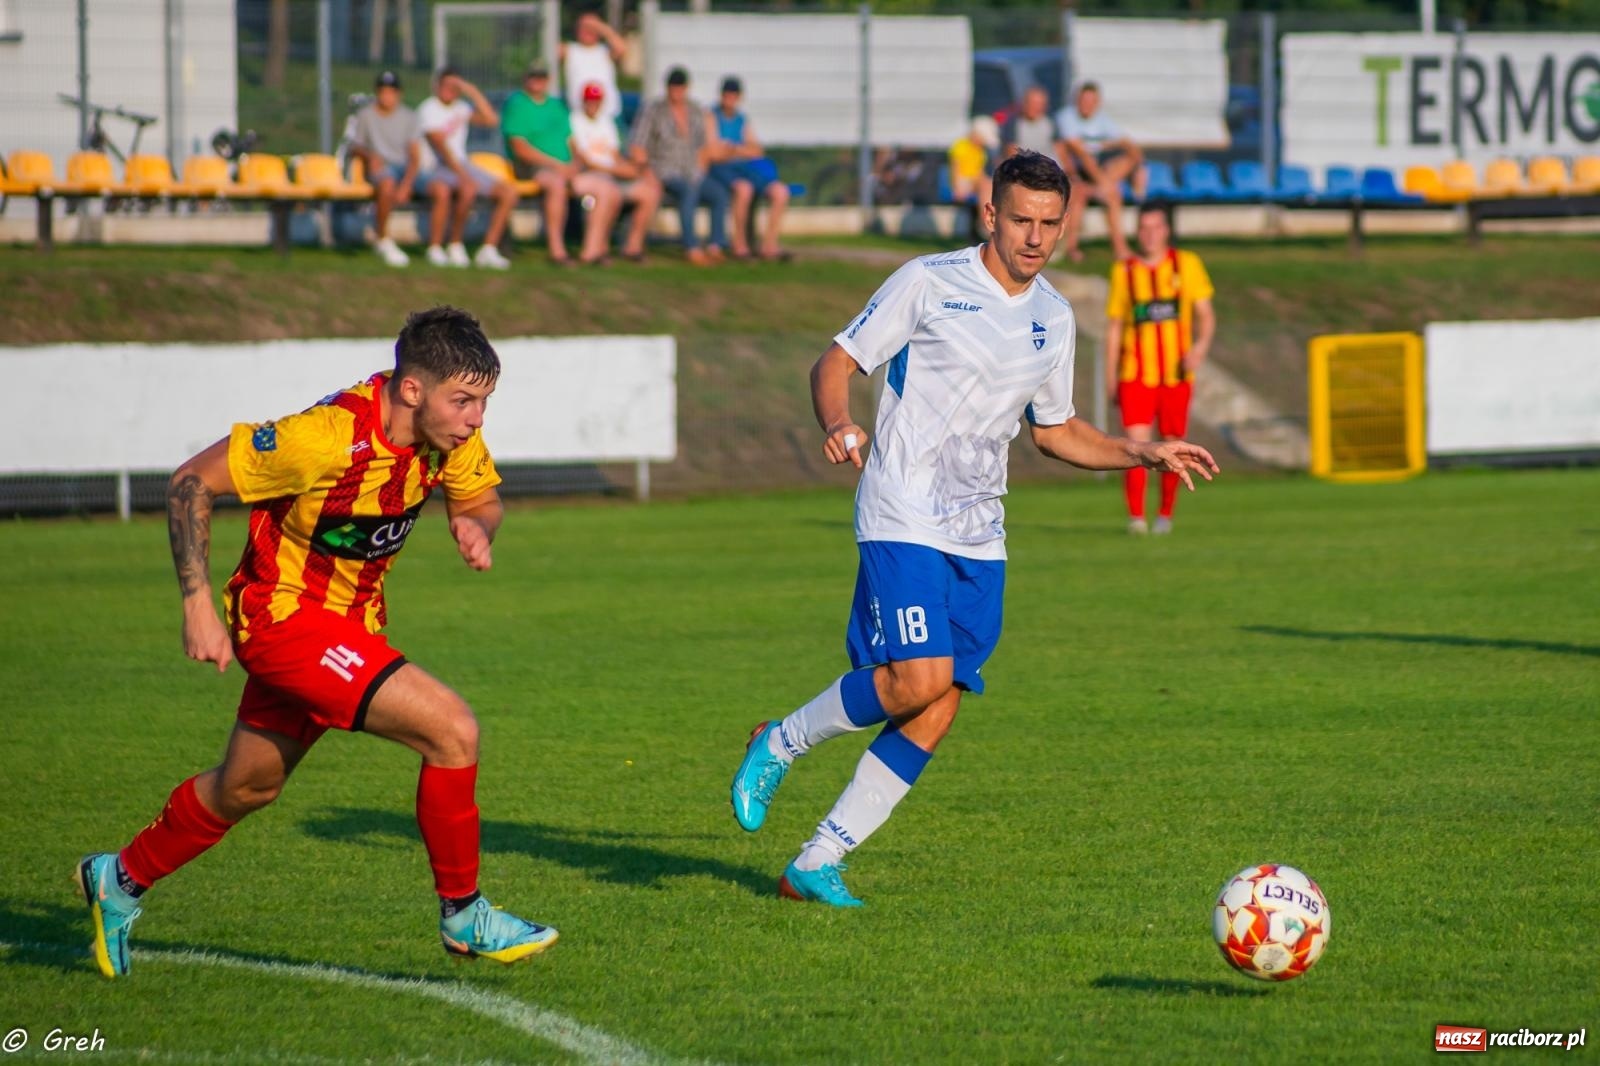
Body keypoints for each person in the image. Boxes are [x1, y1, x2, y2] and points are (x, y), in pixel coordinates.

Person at [728, 152, 1218, 907]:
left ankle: (818, 860)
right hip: (901, 505)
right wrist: (838, 422)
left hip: (979, 529)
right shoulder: (930, 281)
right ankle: (781, 742)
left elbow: (1055, 432)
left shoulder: (1054, 317)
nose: (1034, 237)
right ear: (989, 214)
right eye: (1021, 219)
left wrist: (1140, 450)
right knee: (917, 677)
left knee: (939, 703)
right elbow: (837, 360)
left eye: (1050, 224)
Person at [76, 307, 558, 978]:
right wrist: (195, 604)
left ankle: (118, 879)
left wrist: (479, 526)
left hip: (348, 627)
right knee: (452, 730)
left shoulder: (447, 437)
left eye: (483, 402)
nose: (476, 418)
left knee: (245, 789)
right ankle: (463, 914)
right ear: (412, 389)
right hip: (282, 622)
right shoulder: (323, 437)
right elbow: (190, 482)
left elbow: (480, 498)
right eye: (465, 401)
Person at [1105, 202, 1215, 535]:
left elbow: (1206, 314)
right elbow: (1114, 327)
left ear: (1166, 231)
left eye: (1156, 227)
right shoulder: (1124, 271)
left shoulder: (1187, 264)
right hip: (1135, 374)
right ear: (1137, 232)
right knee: (1136, 447)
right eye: (1144, 228)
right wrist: (1110, 376)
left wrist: (1199, 348)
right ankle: (1136, 518)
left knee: (1172, 445)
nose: (1150, 234)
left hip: (1176, 376)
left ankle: (1165, 515)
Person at [502, 64, 618, 266]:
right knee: (556, 185)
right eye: (534, 77)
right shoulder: (518, 104)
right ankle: (557, 251)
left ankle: (591, 251)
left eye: (542, 78)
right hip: (533, 168)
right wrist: (557, 166)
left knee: (606, 189)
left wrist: (575, 164)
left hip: (563, 169)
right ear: (526, 80)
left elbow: (571, 141)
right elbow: (520, 148)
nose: (538, 82)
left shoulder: (556, 106)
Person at [628, 66, 730, 266]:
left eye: (680, 87)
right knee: (688, 191)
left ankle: (716, 245)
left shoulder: (695, 111)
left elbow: (704, 146)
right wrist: (646, 171)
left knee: (718, 193)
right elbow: (637, 145)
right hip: (664, 171)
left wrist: (703, 167)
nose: (677, 91)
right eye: (673, 86)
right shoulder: (653, 111)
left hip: (692, 170)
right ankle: (690, 246)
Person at [416, 67, 517, 270]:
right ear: (437, 86)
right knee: (466, 189)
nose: (451, 90)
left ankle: (488, 249)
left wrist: (472, 92)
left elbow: (491, 120)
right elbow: (440, 147)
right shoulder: (428, 109)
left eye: (455, 87)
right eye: (447, 85)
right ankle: (451, 245)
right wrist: (464, 176)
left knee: (509, 192)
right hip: (435, 166)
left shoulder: (462, 107)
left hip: (461, 164)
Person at [570, 80, 662, 263]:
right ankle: (592, 250)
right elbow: (583, 159)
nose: (593, 104)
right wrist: (617, 170)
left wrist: (631, 169)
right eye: (589, 100)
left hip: (610, 175)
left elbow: (614, 154)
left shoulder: (606, 122)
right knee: (606, 192)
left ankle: (632, 247)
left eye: (596, 100)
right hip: (588, 176)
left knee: (650, 191)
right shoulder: (574, 121)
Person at [1057, 82, 1145, 261]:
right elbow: (1078, 151)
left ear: (1097, 103)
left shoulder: (1103, 121)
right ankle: (1072, 247)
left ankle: (1120, 248)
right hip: (1072, 173)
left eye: (1091, 101)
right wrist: (1104, 182)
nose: (1087, 105)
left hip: (1096, 173)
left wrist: (1139, 167)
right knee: (1084, 191)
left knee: (1125, 167)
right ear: (1077, 101)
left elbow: (1130, 145)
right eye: (1083, 101)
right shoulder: (1066, 117)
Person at [707, 76, 790, 262]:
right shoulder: (711, 116)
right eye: (727, 95)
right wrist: (739, 150)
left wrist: (734, 149)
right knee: (743, 189)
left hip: (744, 167)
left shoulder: (742, 119)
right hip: (722, 170)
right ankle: (740, 245)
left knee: (780, 192)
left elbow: (757, 150)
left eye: (734, 95)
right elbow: (713, 152)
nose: (730, 99)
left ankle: (769, 245)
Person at [348, 70, 422, 268]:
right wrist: (370, 156)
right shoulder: (366, 115)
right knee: (387, 183)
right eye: (383, 91)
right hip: (380, 168)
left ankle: (442, 247)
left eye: (391, 91)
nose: (386, 96)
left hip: (404, 168)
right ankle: (383, 239)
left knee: (441, 187)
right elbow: (355, 146)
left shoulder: (409, 116)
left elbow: (415, 156)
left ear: (399, 94)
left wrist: (407, 184)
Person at [560, 9, 624, 122]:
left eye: (591, 28)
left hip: (608, 114)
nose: (587, 31)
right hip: (579, 115)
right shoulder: (570, 50)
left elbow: (621, 49)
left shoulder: (605, 51)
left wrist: (600, 27)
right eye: (583, 27)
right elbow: (549, 50)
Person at [947, 115, 998, 207]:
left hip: (974, 182)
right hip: (962, 182)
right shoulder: (960, 146)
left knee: (989, 185)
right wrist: (957, 188)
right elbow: (955, 169)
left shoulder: (981, 151)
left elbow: (980, 172)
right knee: (986, 185)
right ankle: (985, 218)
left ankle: (986, 216)